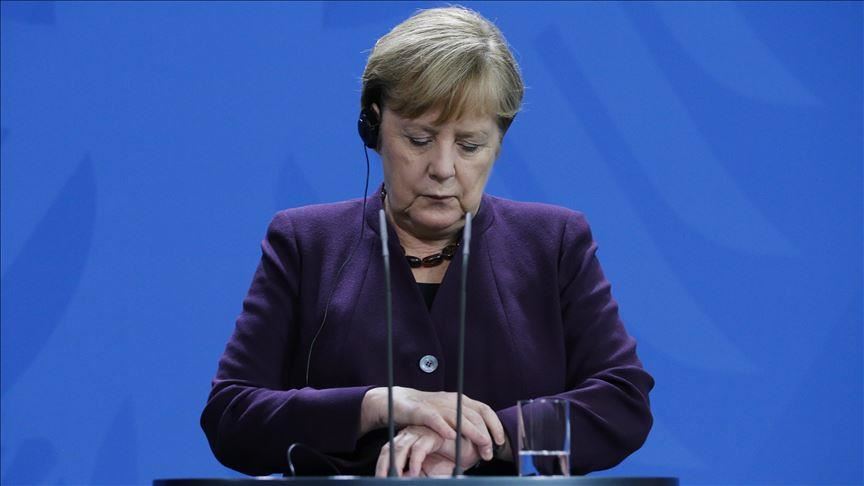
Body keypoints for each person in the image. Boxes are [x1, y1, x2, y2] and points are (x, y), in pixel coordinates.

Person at [201, 6, 653, 477]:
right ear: (374, 128)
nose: (443, 168)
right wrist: (375, 405)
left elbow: (622, 405)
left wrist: (494, 437)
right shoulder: (305, 243)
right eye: (419, 139)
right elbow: (231, 417)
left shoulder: (554, 244)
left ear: (499, 142)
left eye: (470, 145)